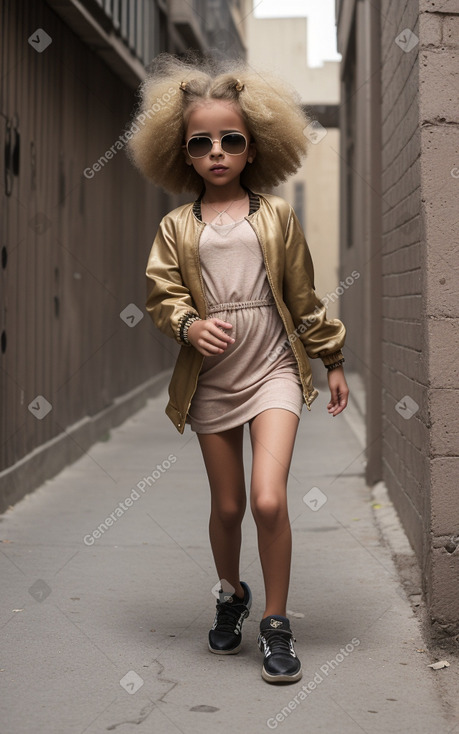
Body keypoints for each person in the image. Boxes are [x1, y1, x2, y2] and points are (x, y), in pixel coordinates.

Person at [126, 52, 349, 684]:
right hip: (211, 375)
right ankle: (232, 594)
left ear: (255, 149)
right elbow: (161, 296)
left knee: (267, 498)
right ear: (183, 153)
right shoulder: (176, 226)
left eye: (232, 140)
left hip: (273, 364)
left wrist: (329, 357)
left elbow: (303, 297)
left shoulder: (276, 215)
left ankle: (276, 623)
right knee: (227, 509)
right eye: (202, 142)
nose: (217, 151)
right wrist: (188, 324)